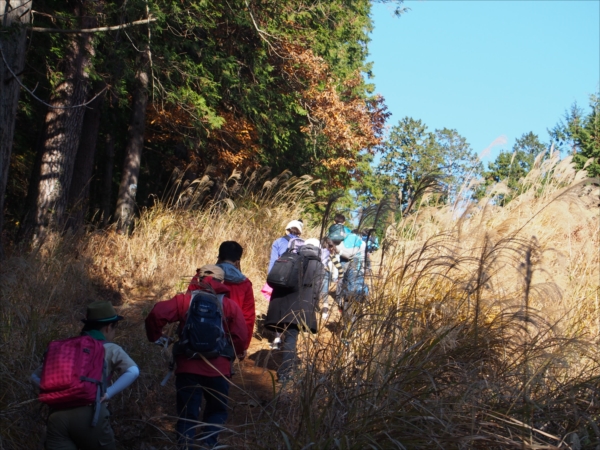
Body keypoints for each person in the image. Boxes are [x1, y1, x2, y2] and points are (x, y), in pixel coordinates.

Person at [145, 266, 247, 449]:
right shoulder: (229, 305)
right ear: (222, 282)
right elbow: (240, 336)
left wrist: (157, 337)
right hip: (219, 369)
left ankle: (185, 445)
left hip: (187, 367)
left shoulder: (185, 301)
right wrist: (236, 354)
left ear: (198, 279)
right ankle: (208, 444)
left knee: (187, 412)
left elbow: (156, 314)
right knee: (216, 410)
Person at [31, 301, 139, 450]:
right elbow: (133, 371)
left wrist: (57, 394)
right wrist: (108, 394)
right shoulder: (110, 348)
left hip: (57, 417)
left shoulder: (66, 348)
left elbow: (35, 377)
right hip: (92, 415)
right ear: (108, 328)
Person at [264, 240, 324, 382]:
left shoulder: (292, 257)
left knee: (288, 335)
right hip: (300, 305)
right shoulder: (318, 264)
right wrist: (313, 307)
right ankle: (285, 373)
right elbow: (317, 290)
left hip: (281, 303)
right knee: (292, 336)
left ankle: (288, 364)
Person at [187, 242, 255, 354]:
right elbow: (247, 317)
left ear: (219, 258)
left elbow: (188, 304)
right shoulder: (244, 283)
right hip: (227, 340)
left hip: (195, 335)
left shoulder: (201, 275)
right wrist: (242, 347)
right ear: (238, 262)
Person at [266, 219, 303, 348]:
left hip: (279, 279)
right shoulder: (302, 244)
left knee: (277, 308)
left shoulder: (278, 241)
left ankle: (277, 338)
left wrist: (270, 279)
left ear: (287, 230)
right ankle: (289, 340)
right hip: (295, 282)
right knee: (290, 308)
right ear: (299, 232)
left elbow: (273, 262)